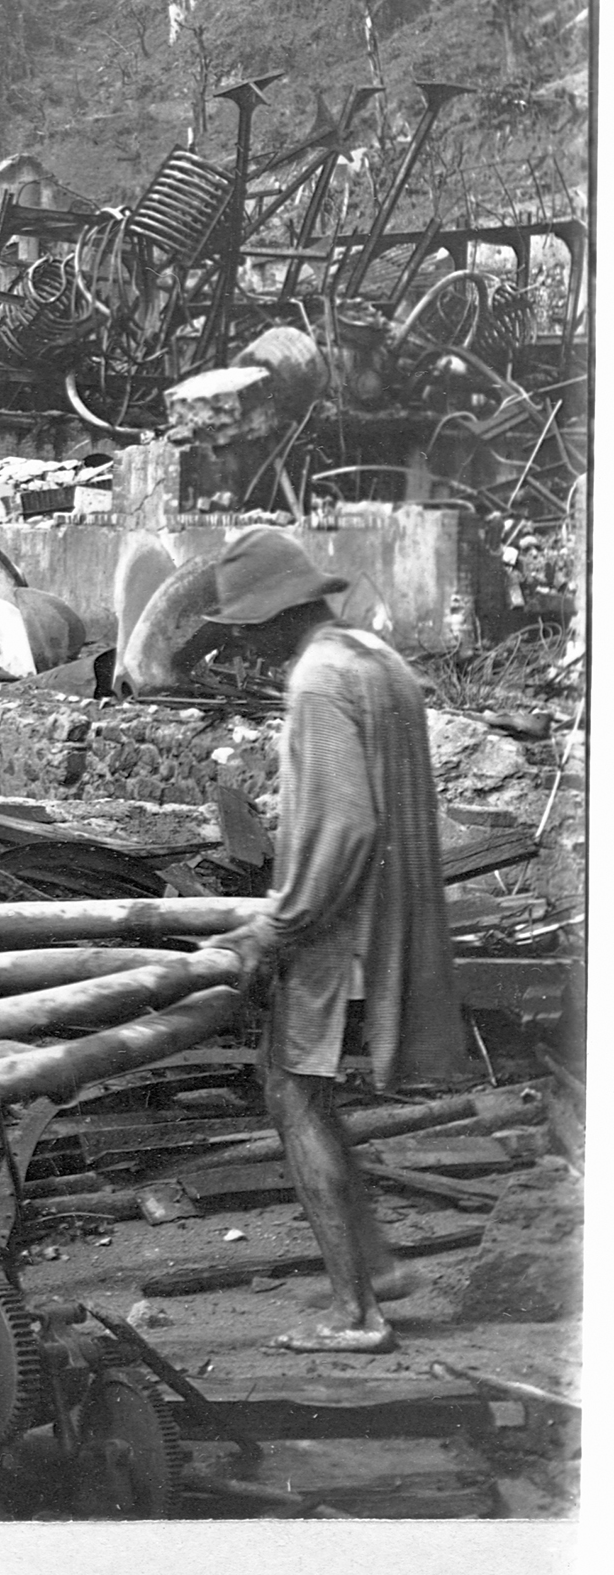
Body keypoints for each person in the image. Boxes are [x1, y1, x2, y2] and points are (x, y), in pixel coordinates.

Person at [204, 529, 471, 1354]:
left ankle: (356, 1311)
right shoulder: (375, 657)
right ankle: (380, 1264)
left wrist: (277, 924)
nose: (243, 642)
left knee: (290, 1089)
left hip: (339, 923)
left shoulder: (318, 679)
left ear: (281, 613)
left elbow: (348, 822)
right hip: (390, 913)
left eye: (248, 625)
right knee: (306, 1090)